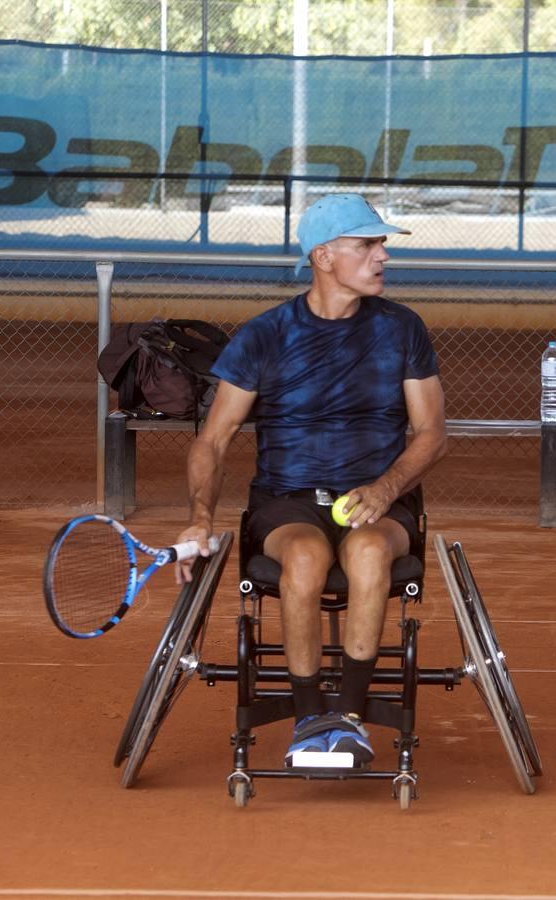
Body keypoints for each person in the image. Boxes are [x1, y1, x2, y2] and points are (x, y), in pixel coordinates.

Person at [174, 192, 447, 768]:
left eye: (382, 245)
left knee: (370, 552)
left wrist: (383, 489)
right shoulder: (264, 335)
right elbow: (214, 440)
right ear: (324, 256)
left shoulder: (403, 329)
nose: (382, 256)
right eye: (367, 244)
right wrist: (200, 517)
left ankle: (345, 717)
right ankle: (307, 718)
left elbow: (430, 433)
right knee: (303, 557)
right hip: (286, 500)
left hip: (379, 500)